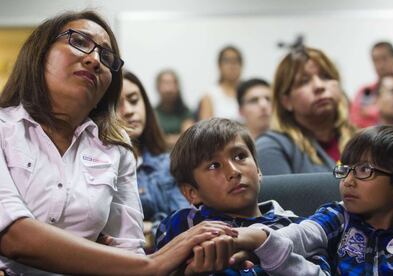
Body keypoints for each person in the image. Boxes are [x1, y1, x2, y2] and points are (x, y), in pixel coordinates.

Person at [0, 10, 237, 275]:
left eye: (106, 56)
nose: (94, 60)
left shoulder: (115, 146)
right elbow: (12, 236)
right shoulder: (3, 129)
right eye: (79, 42)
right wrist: (151, 263)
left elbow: (128, 248)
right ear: (40, 53)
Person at [155, 118, 330, 275]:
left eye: (240, 156)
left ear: (259, 170)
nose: (234, 171)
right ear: (192, 193)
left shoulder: (296, 227)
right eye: (214, 165)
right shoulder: (184, 226)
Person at [255, 125, 393, 275]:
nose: (347, 181)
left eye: (364, 170)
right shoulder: (339, 216)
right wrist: (255, 239)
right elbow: (301, 234)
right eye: (345, 170)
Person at [117, 69, 189, 248]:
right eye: (116, 105)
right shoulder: (100, 165)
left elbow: (184, 224)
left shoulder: (167, 163)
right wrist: (158, 227)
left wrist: (149, 228)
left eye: (134, 100)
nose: (128, 111)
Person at [256, 47, 354, 175]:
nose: (319, 86)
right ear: (286, 101)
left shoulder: (364, 140)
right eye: (304, 81)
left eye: (326, 77)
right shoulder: (271, 147)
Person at [350, 41, 393, 128]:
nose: (380, 65)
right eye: (376, 60)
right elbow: (354, 120)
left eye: (384, 59)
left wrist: (370, 111)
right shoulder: (364, 91)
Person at [198, 45, 243, 121]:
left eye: (236, 61)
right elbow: (206, 130)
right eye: (227, 61)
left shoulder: (249, 93)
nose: (232, 65)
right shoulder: (209, 95)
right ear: (219, 65)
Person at [154, 69, 194, 148]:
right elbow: (155, 139)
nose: (169, 88)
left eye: (172, 83)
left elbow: (188, 138)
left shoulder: (186, 112)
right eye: (165, 83)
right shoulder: (153, 113)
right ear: (157, 87)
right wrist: (178, 138)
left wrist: (165, 139)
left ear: (178, 86)